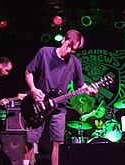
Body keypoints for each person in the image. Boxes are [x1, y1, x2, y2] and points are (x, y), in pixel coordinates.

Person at [23, 30, 98, 165]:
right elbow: (28, 72)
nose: (69, 51)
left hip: (59, 106)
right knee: (30, 140)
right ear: (63, 40)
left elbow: (80, 85)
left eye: (73, 50)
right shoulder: (44, 52)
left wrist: (89, 91)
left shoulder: (75, 63)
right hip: (38, 103)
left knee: (58, 142)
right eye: (68, 46)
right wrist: (33, 89)